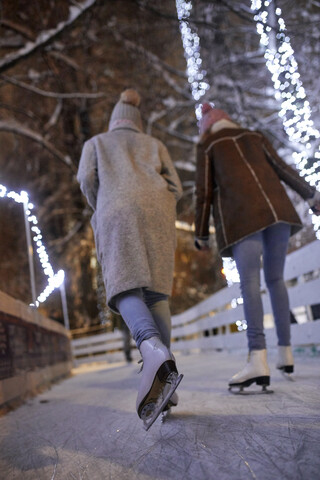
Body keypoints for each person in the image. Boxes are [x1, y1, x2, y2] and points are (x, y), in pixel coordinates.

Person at [194, 103, 320, 391]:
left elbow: (203, 192)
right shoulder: (255, 136)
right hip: (278, 213)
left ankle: (257, 359)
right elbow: (282, 168)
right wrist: (312, 195)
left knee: (249, 285)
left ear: (207, 128)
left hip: (242, 218)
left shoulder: (208, 145)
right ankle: (285, 353)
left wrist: (201, 233)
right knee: (276, 281)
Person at [77, 89, 183, 429]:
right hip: (158, 216)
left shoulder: (96, 143)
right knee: (155, 294)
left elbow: (86, 179)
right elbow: (176, 187)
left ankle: (152, 351)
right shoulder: (156, 145)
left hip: (116, 213)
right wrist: (158, 203)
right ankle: (167, 377)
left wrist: (104, 203)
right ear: (137, 122)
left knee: (124, 287)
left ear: (113, 120)